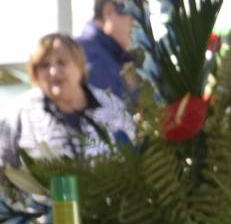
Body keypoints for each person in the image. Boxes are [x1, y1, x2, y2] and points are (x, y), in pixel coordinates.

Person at [0, 33, 134, 171]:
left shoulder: (111, 106)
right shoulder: (17, 114)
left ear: (80, 66)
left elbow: (134, 159)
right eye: (44, 65)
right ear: (35, 73)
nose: (53, 71)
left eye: (62, 62)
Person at [77, 0, 137, 101]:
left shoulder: (113, 54)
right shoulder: (90, 55)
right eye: (135, 17)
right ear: (108, 11)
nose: (140, 27)